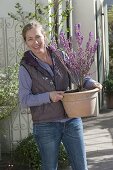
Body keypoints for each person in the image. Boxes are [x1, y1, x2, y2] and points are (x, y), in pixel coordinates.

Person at [19, 20, 102, 170]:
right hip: (45, 125)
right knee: (50, 167)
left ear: (44, 36)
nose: (35, 42)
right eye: (30, 39)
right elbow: (24, 100)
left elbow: (77, 75)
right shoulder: (26, 66)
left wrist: (91, 83)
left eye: (38, 37)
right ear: (25, 42)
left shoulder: (60, 55)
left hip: (71, 120)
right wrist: (48, 96)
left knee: (81, 166)